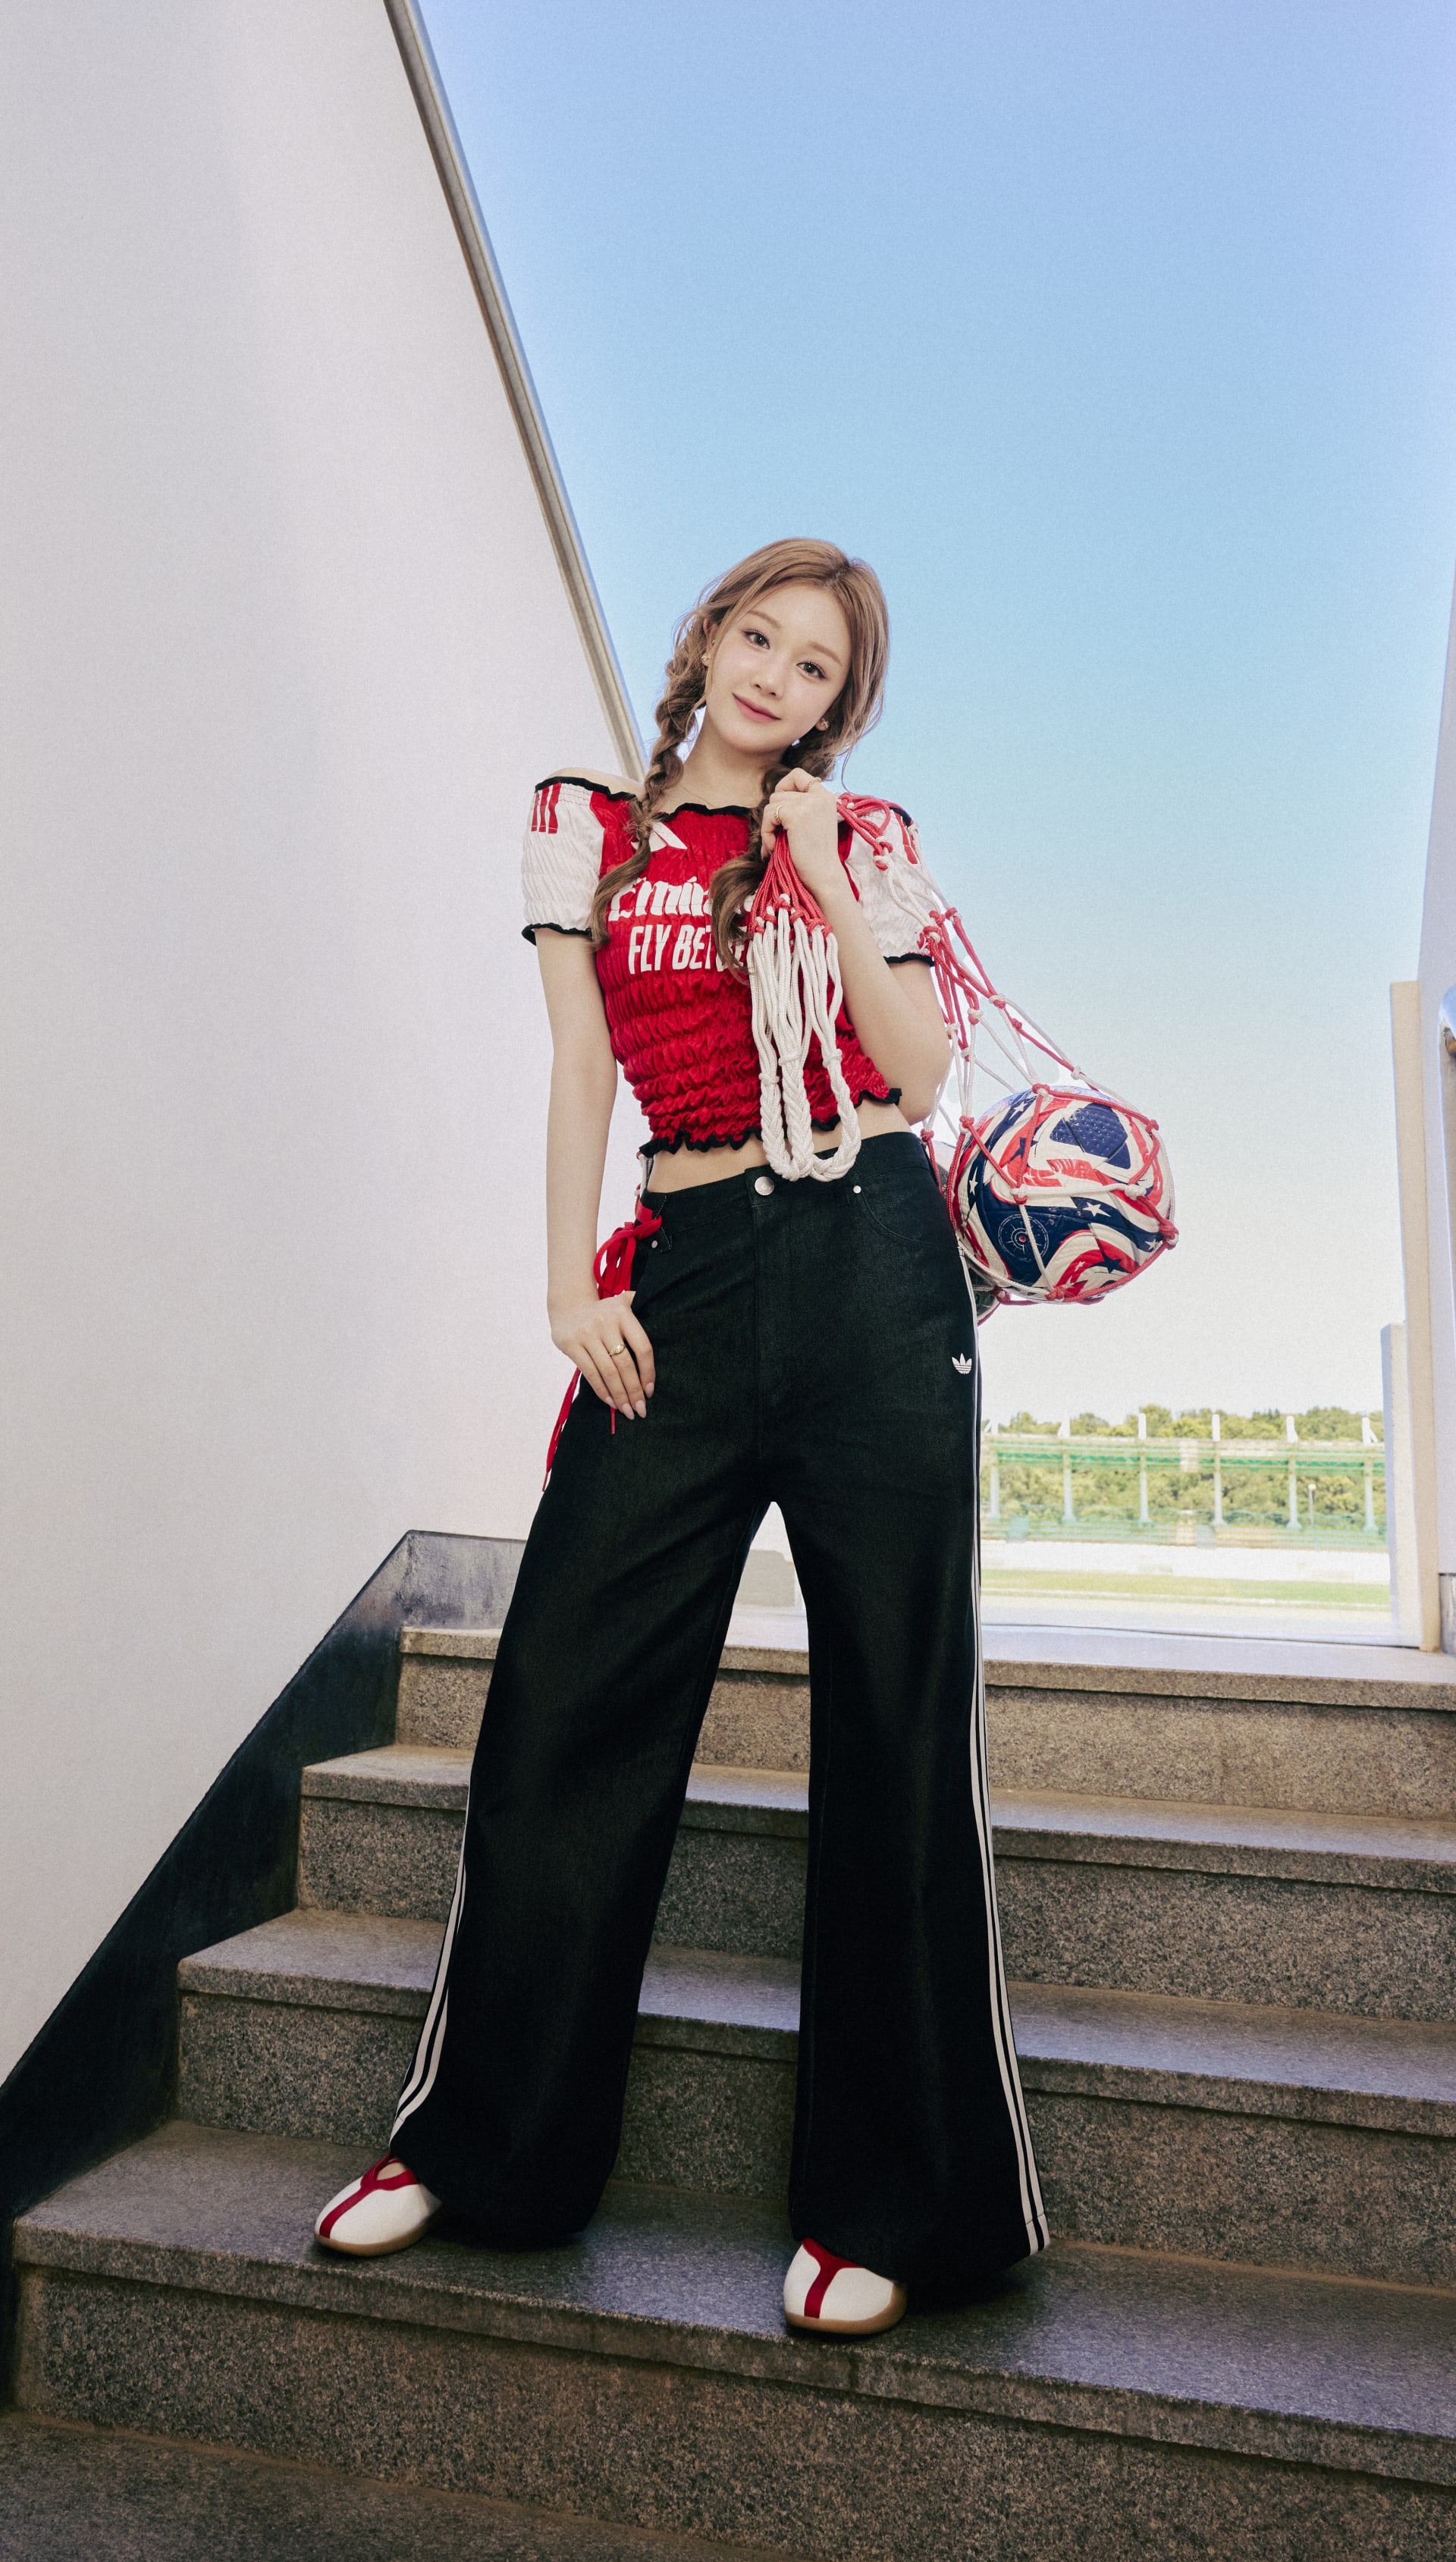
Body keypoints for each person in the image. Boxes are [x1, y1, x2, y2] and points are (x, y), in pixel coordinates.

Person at [314, 538, 1047, 2336]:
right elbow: (581, 1064)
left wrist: (808, 856)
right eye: (761, 636)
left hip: (877, 1274)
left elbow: (923, 1069)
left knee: (895, 1713)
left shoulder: (859, 844)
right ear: (708, 634)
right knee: (568, 1689)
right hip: (688, 1274)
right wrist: (572, 1285)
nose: (775, 678)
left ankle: (897, 2202)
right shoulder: (596, 827)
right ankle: (478, 2145)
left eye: (816, 670)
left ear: (835, 712)